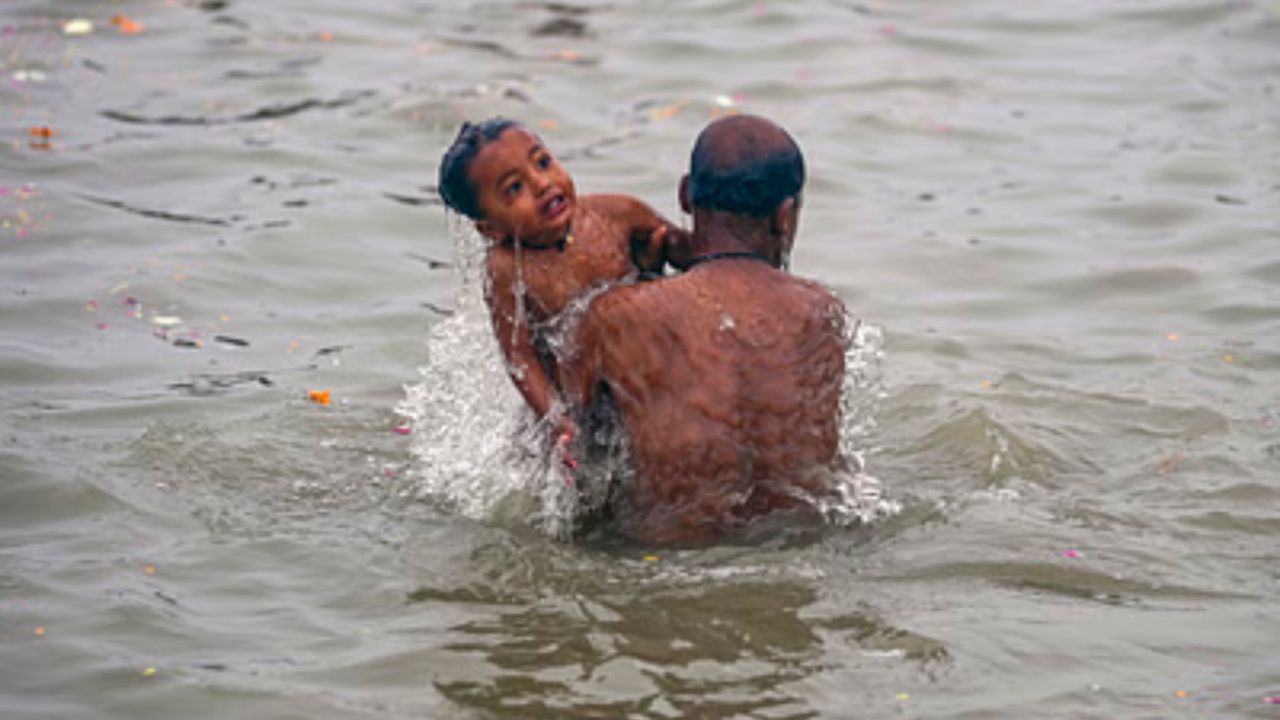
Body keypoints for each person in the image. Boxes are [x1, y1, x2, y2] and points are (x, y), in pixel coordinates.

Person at [559, 114, 849, 545]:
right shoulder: (822, 314)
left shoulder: (618, 316)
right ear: (785, 217)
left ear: (684, 195)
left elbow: (561, 454)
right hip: (796, 555)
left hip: (665, 563)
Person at [438, 118, 688, 462]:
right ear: (491, 229)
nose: (543, 184)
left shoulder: (617, 214)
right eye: (514, 188)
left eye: (542, 162)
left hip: (640, 385)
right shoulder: (508, 270)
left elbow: (688, 253)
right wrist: (556, 419)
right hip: (578, 409)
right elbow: (519, 355)